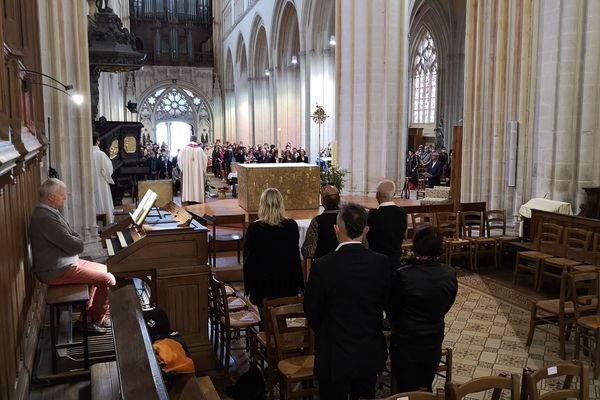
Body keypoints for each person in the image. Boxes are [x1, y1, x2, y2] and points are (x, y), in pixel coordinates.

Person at [304, 203, 391, 400]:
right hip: (368, 350)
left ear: (336, 229)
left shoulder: (322, 266)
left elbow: (311, 309)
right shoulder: (381, 263)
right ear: (366, 230)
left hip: (334, 352)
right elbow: (385, 301)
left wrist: (328, 329)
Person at [29, 178, 116, 333]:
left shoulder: (49, 212)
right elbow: (75, 245)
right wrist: (74, 241)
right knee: (108, 279)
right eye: (62, 195)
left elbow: (72, 236)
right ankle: (94, 321)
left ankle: (88, 316)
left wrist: (73, 240)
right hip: (54, 269)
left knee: (104, 269)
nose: (65, 198)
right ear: (51, 197)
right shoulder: (45, 218)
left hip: (65, 262)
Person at [388, 226, 457, 392]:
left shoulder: (403, 275)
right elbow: (447, 304)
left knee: (405, 389)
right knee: (425, 386)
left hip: (405, 339)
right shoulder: (449, 274)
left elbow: (392, 308)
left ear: (415, 246)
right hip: (433, 337)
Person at [243, 188, 304, 309]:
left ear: (262, 205)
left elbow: (249, 261)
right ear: (281, 204)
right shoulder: (291, 226)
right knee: (284, 319)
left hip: (262, 286)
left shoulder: (254, 229)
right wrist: (300, 284)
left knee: (266, 321)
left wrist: (248, 287)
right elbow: (295, 256)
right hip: (287, 284)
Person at [366, 180, 408, 269]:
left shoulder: (372, 215)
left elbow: (368, 237)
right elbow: (403, 233)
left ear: (377, 195)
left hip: (376, 263)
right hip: (396, 261)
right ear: (394, 194)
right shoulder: (402, 213)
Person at [301, 185, 340, 260]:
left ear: (322, 201)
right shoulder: (349, 218)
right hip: (347, 266)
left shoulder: (317, 221)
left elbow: (308, 252)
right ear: (339, 199)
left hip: (323, 266)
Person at [91, 133, 115, 223]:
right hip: (101, 183)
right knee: (104, 204)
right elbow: (109, 170)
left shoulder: (86, 154)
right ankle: (106, 225)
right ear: (98, 141)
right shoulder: (101, 154)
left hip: (90, 184)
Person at [178, 135, 208, 204]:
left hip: (188, 172)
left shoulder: (185, 148)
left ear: (190, 139)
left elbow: (179, 158)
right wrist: (203, 169)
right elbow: (205, 160)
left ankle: (189, 198)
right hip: (197, 172)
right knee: (197, 182)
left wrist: (183, 168)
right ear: (196, 140)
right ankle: (197, 198)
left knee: (188, 183)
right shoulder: (200, 149)